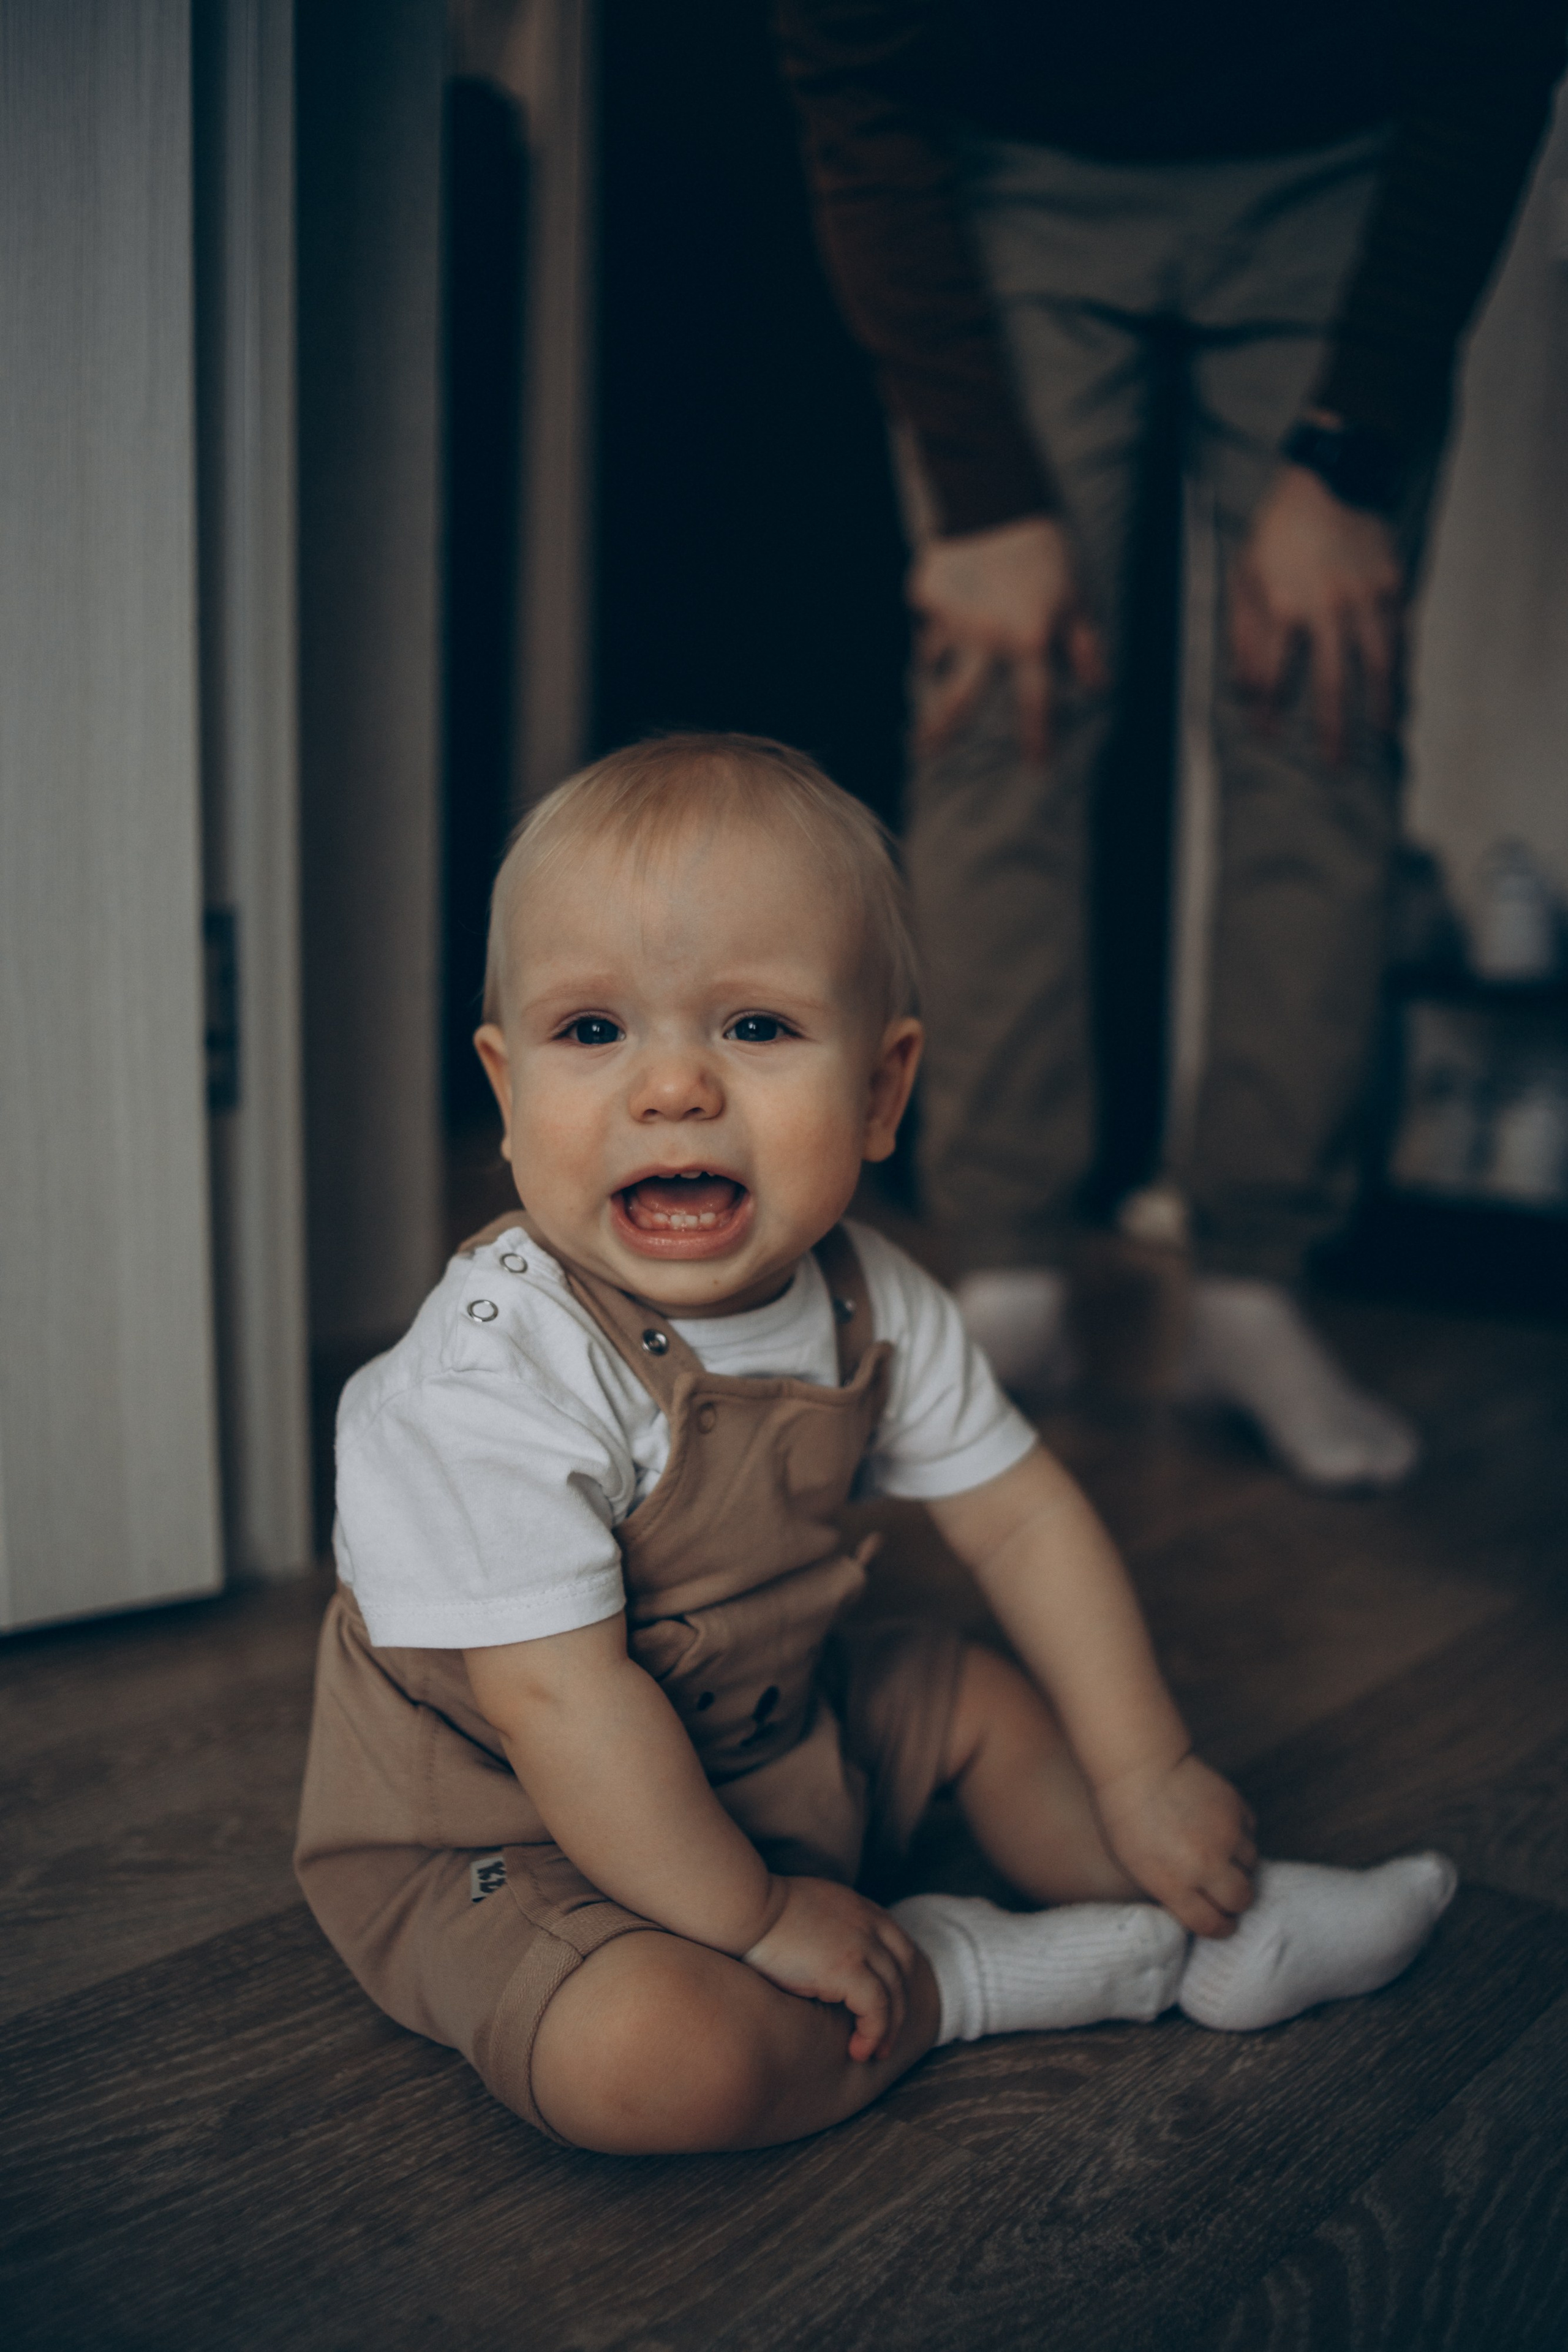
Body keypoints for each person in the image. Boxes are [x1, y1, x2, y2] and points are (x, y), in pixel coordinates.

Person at [295, 734, 1455, 2154]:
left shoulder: (873, 1297)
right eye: (591, 1032)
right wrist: (756, 1916)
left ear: (881, 1092)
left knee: (984, 1707)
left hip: (768, 1732)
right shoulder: (486, 1374)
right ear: (505, 1089)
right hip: (509, 1826)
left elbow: (1022, 1520)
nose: (671, 1089)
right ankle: (967, 1975)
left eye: (754, 1027)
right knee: (646, 2065)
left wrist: (1144, 1769)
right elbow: (559, 1708)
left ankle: (1219, 1922)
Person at [776, 1, 1567, 1488]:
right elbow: (847, 85)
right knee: (998, 707)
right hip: (1003, 167)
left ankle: (1252, 1283)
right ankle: (1005, 1267)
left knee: (1320, 714)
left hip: (1352, 165)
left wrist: (1346, 453)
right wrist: (982, 497)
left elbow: (1498, 47)